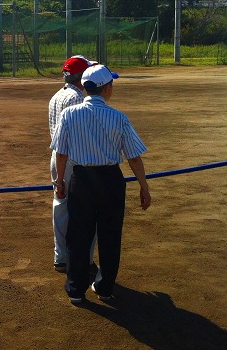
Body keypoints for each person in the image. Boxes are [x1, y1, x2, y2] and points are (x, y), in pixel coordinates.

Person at [50, 64, 152, 304]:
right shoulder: (118, 117)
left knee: (78, 235)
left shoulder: (70, 114)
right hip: (110, 181)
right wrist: (144, 187)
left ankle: (75, 289)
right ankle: (105, 287)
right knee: (109, 234)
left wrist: (59, 182)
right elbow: (134, 156)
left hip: (81, 179)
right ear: (106, 88)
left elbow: (61, 153)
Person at [48, 56, 98, 275]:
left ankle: (61, 257)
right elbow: (80, 135)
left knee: (60, 205)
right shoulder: (78, 99)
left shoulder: (56, 96)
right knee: (83, 210)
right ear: (81, 77)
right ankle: (83, 260)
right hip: (74, 159)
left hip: (57, 156)